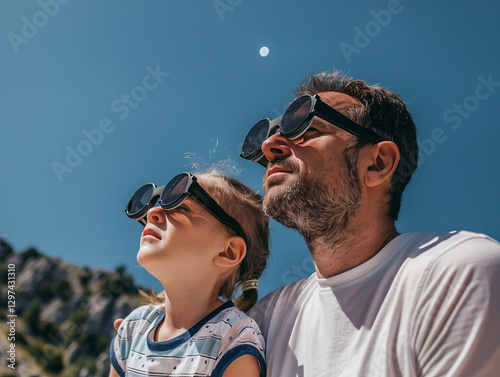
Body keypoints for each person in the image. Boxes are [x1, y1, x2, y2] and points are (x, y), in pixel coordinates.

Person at [240, 71, 500, 376]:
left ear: (377, 164)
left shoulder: (455, 275)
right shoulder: (265, 321)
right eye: (274, 132)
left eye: (305, 129)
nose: (271, 145)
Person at [109, 170, 270, 377]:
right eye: (156, 202)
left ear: (228, 252)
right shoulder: (133, 329)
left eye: (180, 205)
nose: (152, 212)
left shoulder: (232, 338)